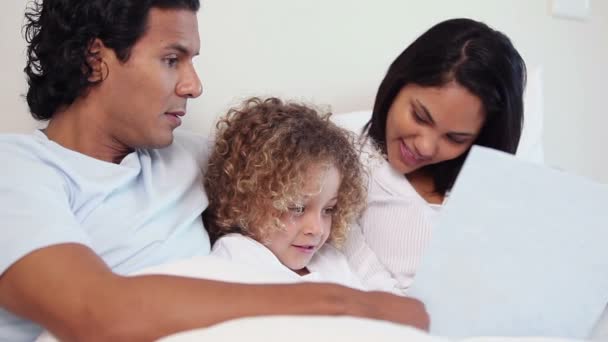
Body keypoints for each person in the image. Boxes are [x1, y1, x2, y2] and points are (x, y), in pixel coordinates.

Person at [0, 0, 428, 341]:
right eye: (172, 59)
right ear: (96, 60)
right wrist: (347, 305)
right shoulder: (18, 171)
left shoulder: (188, 158)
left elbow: (312, 154)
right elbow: (96, 316)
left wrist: (430, 140)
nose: (193, 85)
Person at [342, 18, 526, 294]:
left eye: (455, 138)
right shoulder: (344, 160)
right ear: (398, 85)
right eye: (419, 116)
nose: (426, 147)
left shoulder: (490, 189)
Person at [205, 97, 365, 289]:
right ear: (243, 202)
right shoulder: (238, 255)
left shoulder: (330, 261)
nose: (317, 229)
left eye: (329, 210)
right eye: (297, 208)